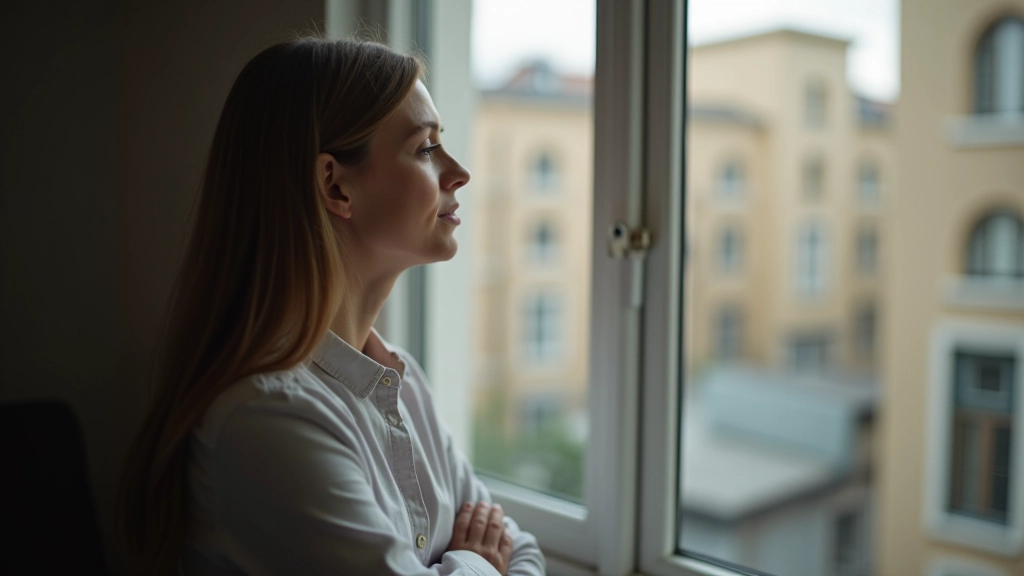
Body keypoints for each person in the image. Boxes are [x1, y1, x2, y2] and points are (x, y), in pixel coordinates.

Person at [117, 35, 546, 576]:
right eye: (425, 147)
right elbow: (505, 554)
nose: (459, 172)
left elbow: (525, 550)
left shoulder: (402, 383)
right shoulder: (267, 419)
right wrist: (478, 563)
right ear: (335, 186)